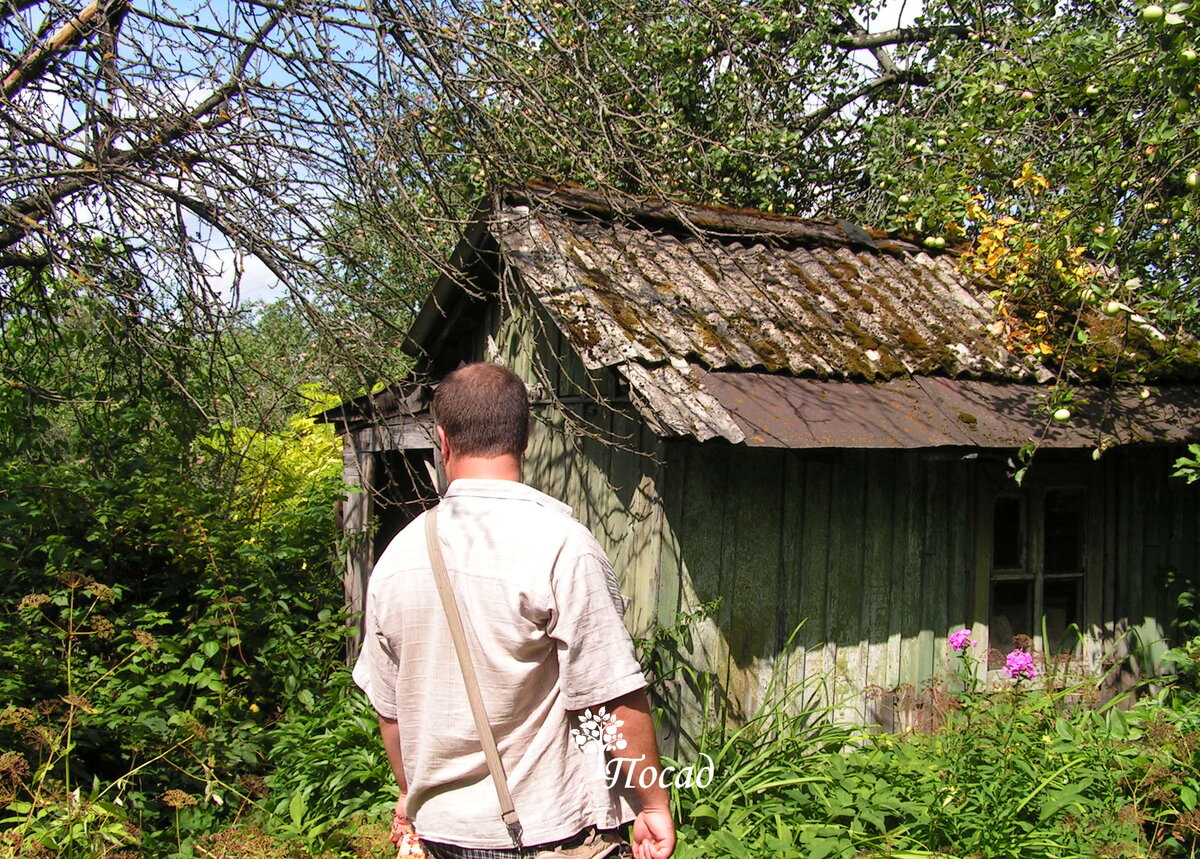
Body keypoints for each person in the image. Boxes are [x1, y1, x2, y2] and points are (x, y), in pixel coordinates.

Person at [353, 362, 676, 859]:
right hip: (545, 830)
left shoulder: (397, 556)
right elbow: (611, 698)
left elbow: (389, 712)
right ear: (525, 435)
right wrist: (652, 803)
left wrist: (410, 792)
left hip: (439, 834)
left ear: (441, 439)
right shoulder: (561, 546)